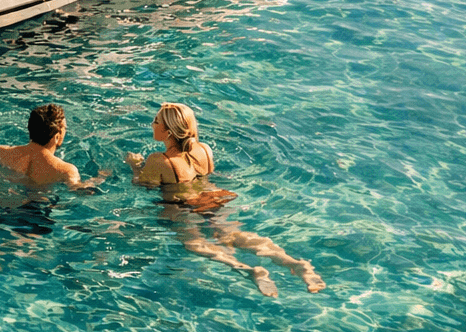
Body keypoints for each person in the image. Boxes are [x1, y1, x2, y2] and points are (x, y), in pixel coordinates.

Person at [127, 102, 325, 296]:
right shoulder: (204, 149)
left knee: (194, 243)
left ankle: (247, 270)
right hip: (212, 198)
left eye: (156, 121)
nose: (152, 124)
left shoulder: (159, 160)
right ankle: (295, 264)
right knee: (233, 235)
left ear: (169, 131)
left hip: (181, 205)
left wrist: (135, 166)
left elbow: (144, 186)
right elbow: (208, 175)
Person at [0, 104, 83, 188]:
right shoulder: (66, 170)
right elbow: (78, 190)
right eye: (65, 128)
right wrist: (93, 182)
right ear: (56, 137)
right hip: (36, 206)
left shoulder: (0, 152)